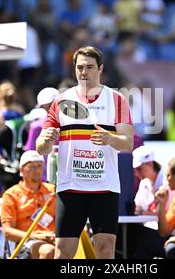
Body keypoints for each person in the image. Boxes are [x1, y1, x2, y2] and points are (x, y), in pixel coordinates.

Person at [36, 46, 134, 259]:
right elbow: (40, 147)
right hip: (71, 186)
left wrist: (111, 139)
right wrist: (45, 140)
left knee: (105, 250)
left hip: (104, 185)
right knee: (63, 253)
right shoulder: (61, 101)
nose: (84, 72)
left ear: (100, 69)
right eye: (80, 67)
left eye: (89, 67)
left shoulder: (117, 100)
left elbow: (128, 144)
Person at [0, 150, 56, 259]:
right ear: (21, 170)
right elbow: (7, 231)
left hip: (54, 238)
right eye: (31, 166)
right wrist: (36, 236)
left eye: (39, 165)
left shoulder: (53, 191)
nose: (37, 170)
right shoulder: (11, 195)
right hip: (27, 242)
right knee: (49, 251)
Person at [131, 146, 175, 259]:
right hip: (155, 231)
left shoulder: (168, 183)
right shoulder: (145, 183)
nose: (136, 173)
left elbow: (168, 216)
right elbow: (137, 208)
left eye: (139, 168)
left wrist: (144, 212)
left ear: (149, 164)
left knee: (140, 240)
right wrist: (143, 212)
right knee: (131, 235)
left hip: (171, 234)